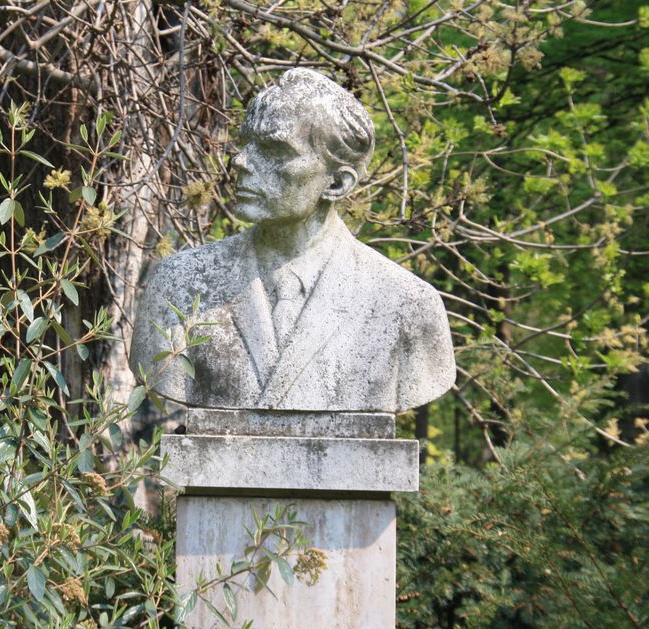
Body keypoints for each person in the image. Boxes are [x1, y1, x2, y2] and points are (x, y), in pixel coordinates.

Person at [129, 68, 455, 413]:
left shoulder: (406, 304)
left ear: (337, 184)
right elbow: (163, 381)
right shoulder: (181, 283)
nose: (240, 161)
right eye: (245, 143)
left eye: (274, 150)